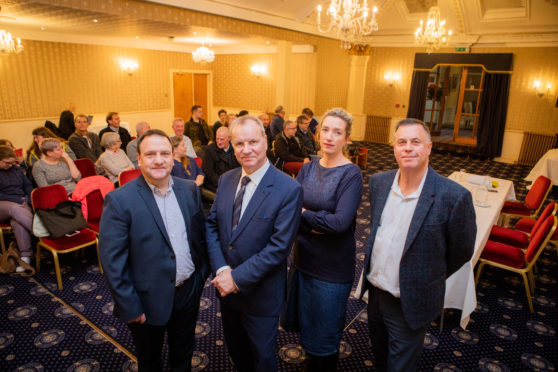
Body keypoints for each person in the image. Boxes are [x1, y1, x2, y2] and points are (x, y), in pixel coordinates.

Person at [361, 118, 476, 372]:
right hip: (376, 296)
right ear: (393, 147)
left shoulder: (454, 196)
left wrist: (425, 276)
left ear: (429, 148)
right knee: (379, 357)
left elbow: (462, 251)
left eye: (416, 142)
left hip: (410, 302)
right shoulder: (379, 183)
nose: (408, 148)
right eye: (401, 142)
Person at [99, 129, 209, 372]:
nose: (158, 160)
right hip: (146, 300)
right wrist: (130, 305)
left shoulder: (189, 189)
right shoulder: (119, 200)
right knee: (150, 361)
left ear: (173, 157)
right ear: (138, 159)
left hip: (187, 291)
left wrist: (200, 277)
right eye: (150, 154)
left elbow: (199, 237)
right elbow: (112, 261)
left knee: (183, 353)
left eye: (164, 153)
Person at [206, 116, 303, 372]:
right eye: (239, 143)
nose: (246, 149)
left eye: (253, 142)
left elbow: (278, 248)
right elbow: (212, 226)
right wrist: (221, 271)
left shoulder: (288, 188)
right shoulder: (227, 179)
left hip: (261, 295)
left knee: (262, 360)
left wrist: (236, 278)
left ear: (266, 141)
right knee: (237, 354)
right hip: (226, 291)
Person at [287, 108, 362, 371]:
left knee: (325, 341)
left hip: (330, 269)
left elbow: (340, 223)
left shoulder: (351, 174)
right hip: (302, 260)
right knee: (307, 331)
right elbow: (291, 210)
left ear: (346, 139)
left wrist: (305, 214)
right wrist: (318, 220)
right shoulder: (307, 168)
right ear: (319, 133)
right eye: (326, 130)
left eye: (337, 132)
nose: (330, 136)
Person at [0, 146, 34, 272]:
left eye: (12, 162)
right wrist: (17, 200)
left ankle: (25, 256)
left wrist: (30, 198)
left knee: (17, 221)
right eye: (7, 163)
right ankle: (42, 233)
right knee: (15, 209)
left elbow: (27, 185)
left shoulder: (16, 169)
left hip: (20, 201)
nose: (10, 165)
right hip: (3, 204)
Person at [201, 127, 240, 193]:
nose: (219, 142)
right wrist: (223, 183)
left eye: (222, 139)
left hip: (234, 181)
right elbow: (208, 172)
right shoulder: (209, 150)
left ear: (229, 138)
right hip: (216, 184)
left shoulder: (235, 148)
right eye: (217, 139)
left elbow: (239, 167)